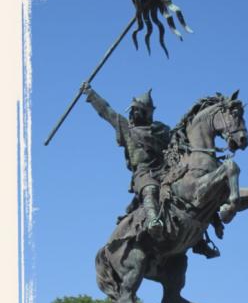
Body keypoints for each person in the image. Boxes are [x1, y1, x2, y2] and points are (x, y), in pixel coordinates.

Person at [81, 83, 221, 256]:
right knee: (150, 189)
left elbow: (179, 140)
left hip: (166, 171)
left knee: (191, 190)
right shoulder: (126, 129)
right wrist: (91, 93)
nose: (134, 114)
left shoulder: (161, 130)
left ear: (146, 112)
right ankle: (153, 220)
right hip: (144, 174)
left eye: (137, 110)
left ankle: (199, 239)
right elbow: (107, 111)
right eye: (133, 111)